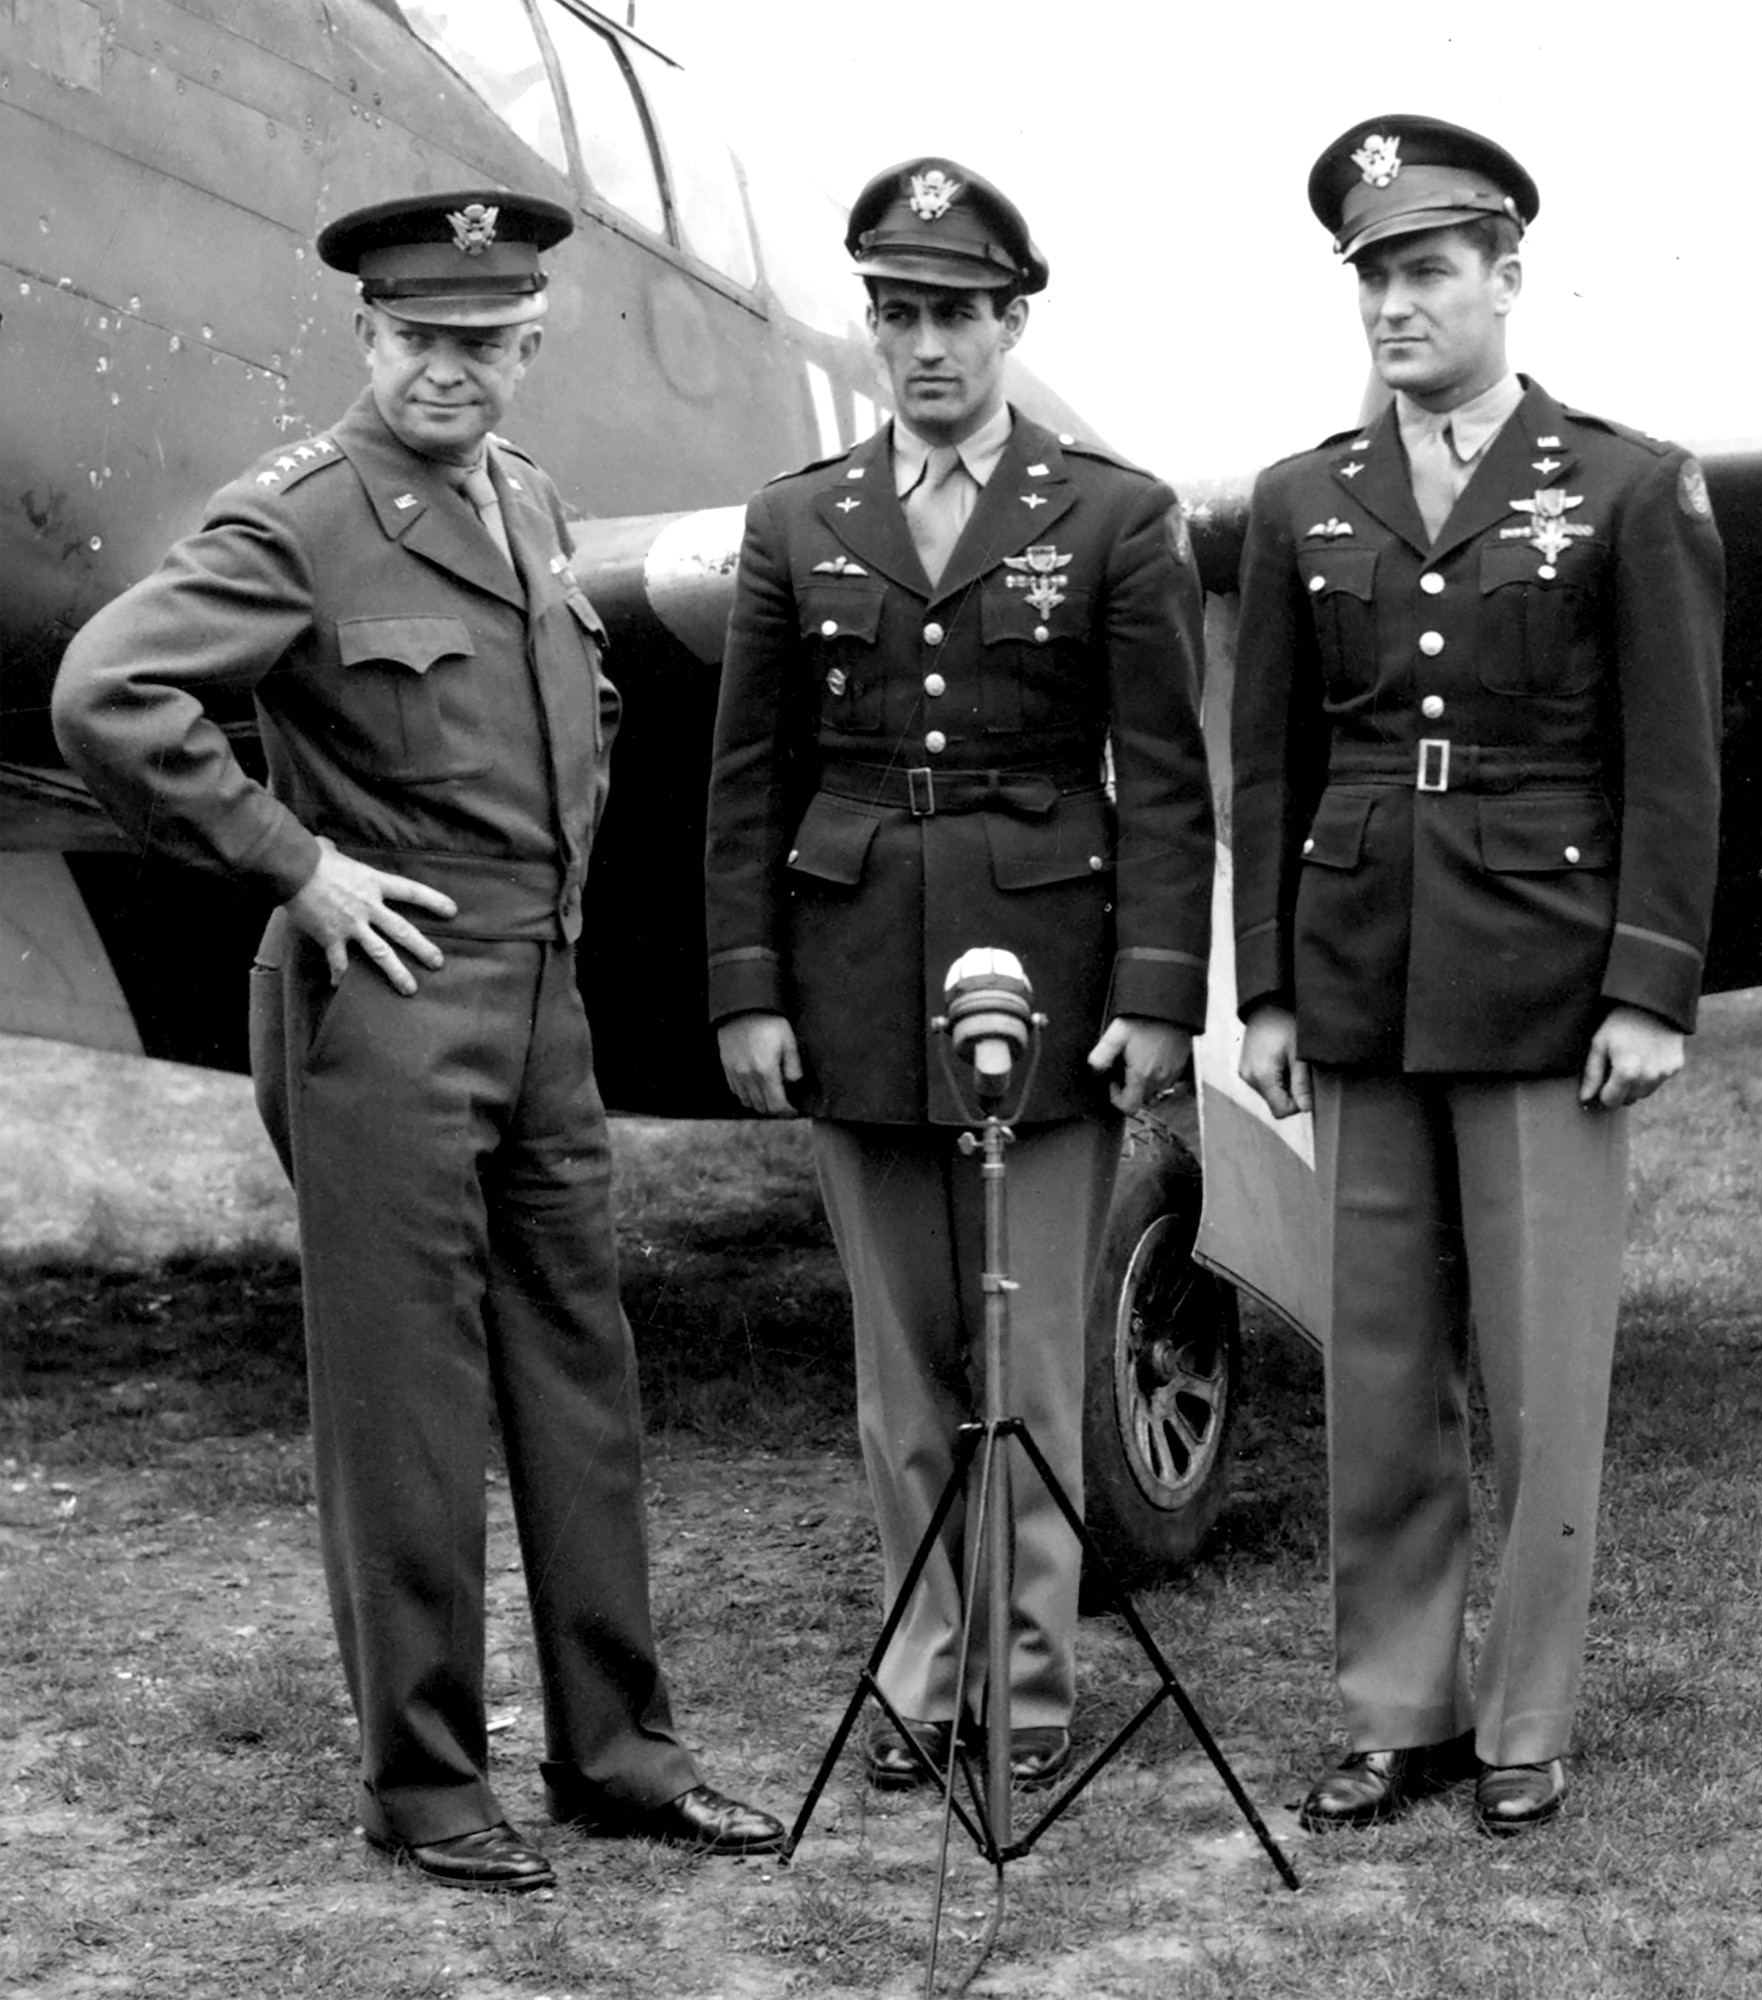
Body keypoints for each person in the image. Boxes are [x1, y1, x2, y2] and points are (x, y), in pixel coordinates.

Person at [52, 190, 783, 1891]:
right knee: (407, 1403)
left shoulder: (528, 504)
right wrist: (295, 867)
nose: (450, 369)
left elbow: (576, 720)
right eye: (419, 338)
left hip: (542, 998)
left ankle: (619, 1755)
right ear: (366, 339)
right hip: (388, 1000)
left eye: (484, 341)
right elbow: (110, 693)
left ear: (528, 346)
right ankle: (428, 1782)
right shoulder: (297, 520)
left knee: (580, 1384)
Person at [1232, 117, 1724, 1836]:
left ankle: (1520, 1721)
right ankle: (1397, 1710)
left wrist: (1650, 986)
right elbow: (1269, 764)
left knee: (1539, 1372)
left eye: (1427, 268)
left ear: (1506, 278)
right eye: (1371, 274)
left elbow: (1673, 760)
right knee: (1374, 1365)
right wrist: (1269, 993)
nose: (1394, 302)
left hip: (1541, 976)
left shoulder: (1623, 482)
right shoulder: (1302, 500)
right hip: (1359, 973)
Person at [704, 159, 1214, 1792]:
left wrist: (1151, 996)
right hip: (850, 972)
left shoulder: (1112, 517)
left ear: (1010, 325)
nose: (924, 348)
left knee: (1033, 1354)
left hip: (1049, 970)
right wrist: (746, 990)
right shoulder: (796, 521)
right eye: (896, 315)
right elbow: (746, 781)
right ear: (869, 330)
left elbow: (1165, 780)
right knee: (903, 1364)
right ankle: (924, 1679)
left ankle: (1036, 1687)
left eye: (955, 317)